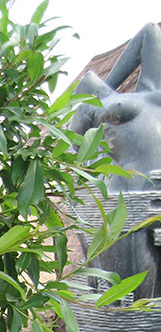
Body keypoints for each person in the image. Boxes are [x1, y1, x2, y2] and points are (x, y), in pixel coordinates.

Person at [71, 23, 161, 297]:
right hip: (125, 194)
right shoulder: (89, 108)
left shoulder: (149, 89)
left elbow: (150, 32)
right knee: (130, 292)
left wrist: (110, 89)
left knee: (151, 293)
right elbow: (76, 156)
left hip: (154, 191)